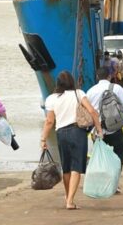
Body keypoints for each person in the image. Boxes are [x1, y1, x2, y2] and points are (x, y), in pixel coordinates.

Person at [40, 71, 103, 210]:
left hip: (61, 133)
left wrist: (43, 139)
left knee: (66, 168)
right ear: (71, 82)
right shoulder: (79, 93)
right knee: (77, 168)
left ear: (58, 83)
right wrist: (99, 130)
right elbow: (92, 112)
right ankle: (70, 201)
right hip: (78, 132)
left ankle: (68, 197)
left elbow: (49, 121)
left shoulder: (51, 98)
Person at [86, 66, 123, 166]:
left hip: (98, 131)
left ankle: (104, 178)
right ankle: (115, 177)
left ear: (97, 77)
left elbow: (88, 112)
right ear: (109, 76)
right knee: (118, 154)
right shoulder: (117, 88)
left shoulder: (90, 91)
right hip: (115, 128)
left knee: (100, 156)